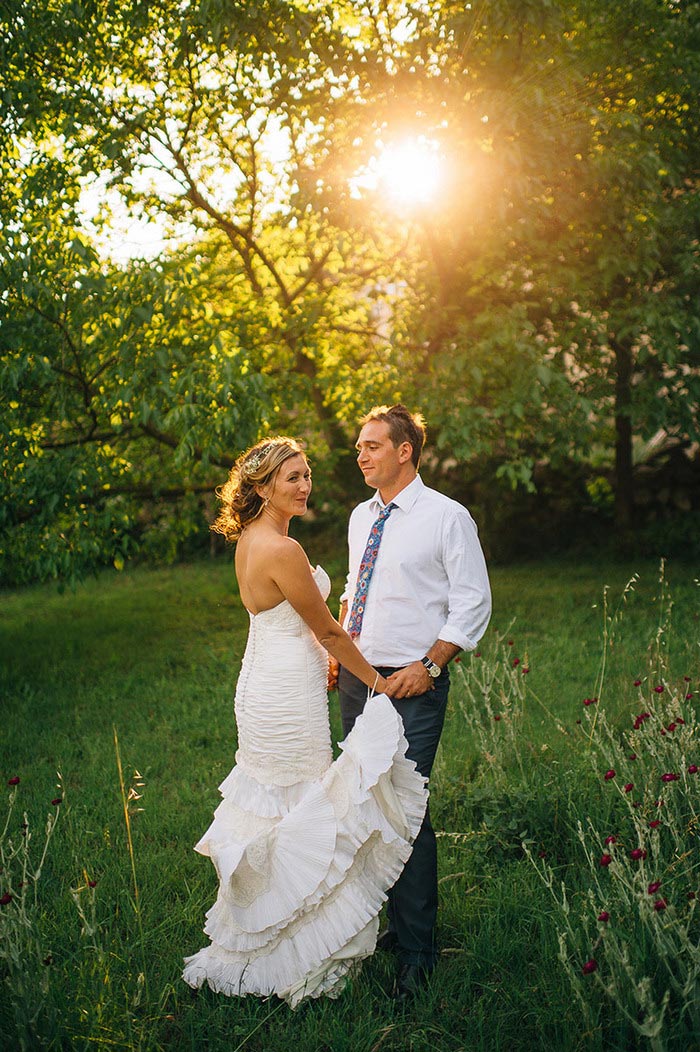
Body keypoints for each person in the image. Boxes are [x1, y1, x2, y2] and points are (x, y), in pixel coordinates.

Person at [182, 437, 428, 1007]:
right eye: (292, 477)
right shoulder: (283, 551)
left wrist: (326, 659)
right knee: (302, 806)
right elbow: (329, 633)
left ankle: (271, 934)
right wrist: (377, 681)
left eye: (307, 474)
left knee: (279, 805)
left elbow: (297, 624)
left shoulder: (250, 540)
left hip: (262, 681)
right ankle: (298, 950)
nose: (304, 485)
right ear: (264, 487)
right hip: (287, 692)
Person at [334, 404, 491, 1000]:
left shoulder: (446, 517)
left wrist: (431, 666)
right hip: (359, 678)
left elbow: (472, 600)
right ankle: (382, 926)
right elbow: (356, 586)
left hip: (413, 684)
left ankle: (419, 950)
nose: (361, 454)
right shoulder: (359, 517)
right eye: (358, 446)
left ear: (405, 450)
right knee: (365, 804)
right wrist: (340, 649)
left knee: (408, 808)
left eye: (372, 445)